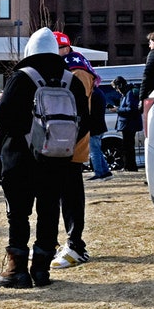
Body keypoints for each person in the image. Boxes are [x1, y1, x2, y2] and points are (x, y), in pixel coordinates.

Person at [0, 27, 90, 289]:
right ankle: (42, 270)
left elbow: (2, 118)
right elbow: (85, 121)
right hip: (56, 160)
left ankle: (17, 271)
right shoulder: (71, 80)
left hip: (19, 160)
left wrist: (24, 136)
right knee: (49, 211)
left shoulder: (22, 77)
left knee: (18, 214)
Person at [54, 35, 107, 270]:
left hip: (70, 138)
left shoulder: (76, 69)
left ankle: (75, 245)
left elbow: (76, 105)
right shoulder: (74, 66)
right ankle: (69, 243)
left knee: (70, 191)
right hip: (62, 137)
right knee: (62, 191)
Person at [113, 77, 142, 171]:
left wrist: (117, 109)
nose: (117, 90)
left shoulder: (129, 94)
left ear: (120, 86)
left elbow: (131, 109)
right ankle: (128, 166)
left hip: (129, 124)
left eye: (116, 88)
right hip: (128, 124)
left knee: (128, 146)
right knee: (127, 146)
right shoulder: (126, 93)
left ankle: (130, 166)